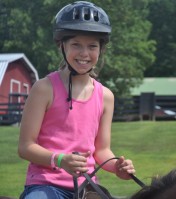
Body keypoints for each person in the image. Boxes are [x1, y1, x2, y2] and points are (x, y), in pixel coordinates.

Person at [18, 1, 135, 198]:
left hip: (87, 187)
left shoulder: (105, 96)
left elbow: (102, 150)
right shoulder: (44, 89)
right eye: (76, 45)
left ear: (100, 50)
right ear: (61, 45)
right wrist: (60, 159)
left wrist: (117, 167)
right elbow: (25, 147)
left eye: (92, 46)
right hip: (46, 184)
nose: (84, 53)